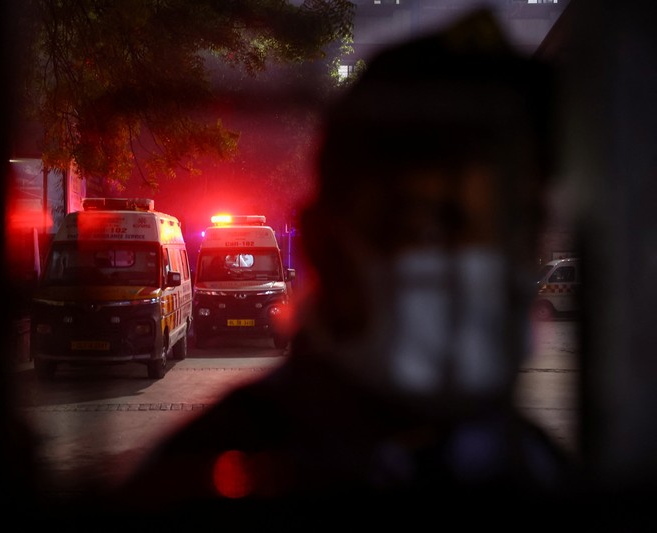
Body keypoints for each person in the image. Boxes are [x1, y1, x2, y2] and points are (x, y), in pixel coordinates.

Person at [112, 8, 579, 528]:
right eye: (427, 224)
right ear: (328, 245)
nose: (483, 262)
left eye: (514, 224)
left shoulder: (538, 471)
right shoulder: (207, 478)